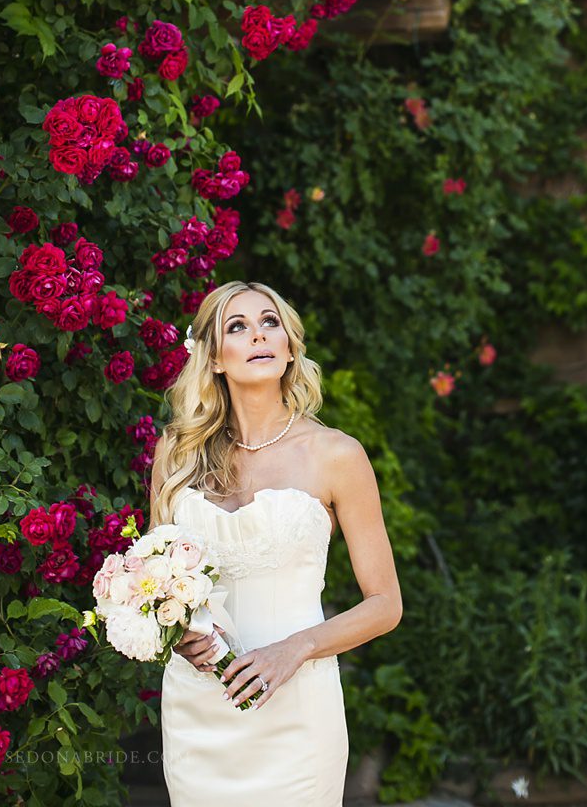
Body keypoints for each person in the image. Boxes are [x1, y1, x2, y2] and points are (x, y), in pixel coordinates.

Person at [148, 279, 403, 807]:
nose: (259, 336)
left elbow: (386, 605)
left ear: (289, 347)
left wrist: (296, 649)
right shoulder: (177, 455)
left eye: (270, 323)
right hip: (200, 710)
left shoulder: (337, 455)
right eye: (237, 327)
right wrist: (176, 632)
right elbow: (155, 583)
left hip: (296, 711)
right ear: (215, 357)